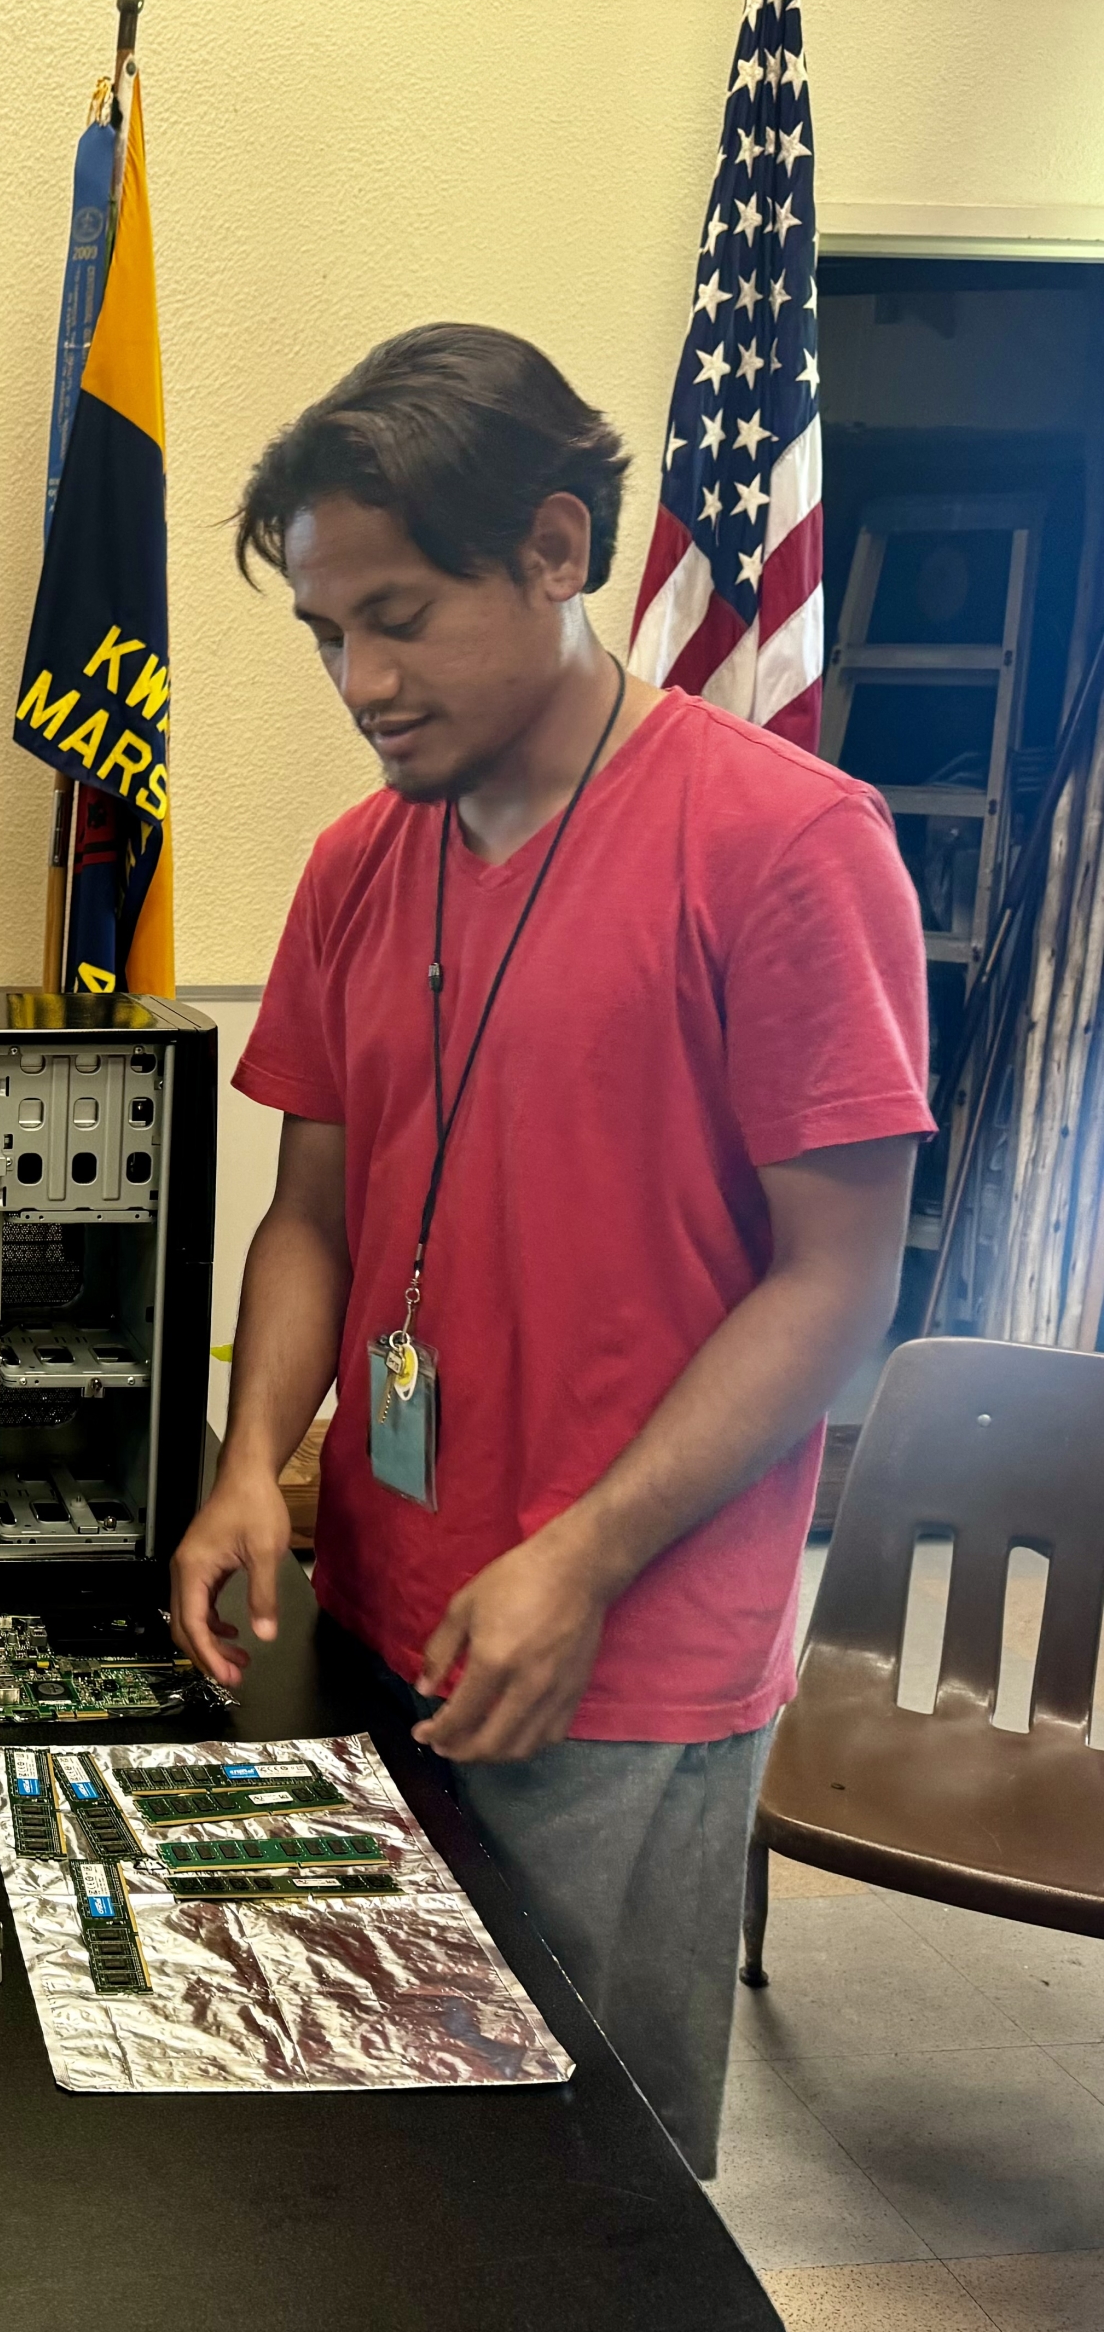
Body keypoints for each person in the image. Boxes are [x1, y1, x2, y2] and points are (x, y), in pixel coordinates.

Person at [168, 323, 932, 2179]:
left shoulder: (786, 847)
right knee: (393, 2156)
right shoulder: (359, 863)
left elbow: (840, 1280)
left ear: (557, 551)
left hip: (625, 1644)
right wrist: (249, 1469)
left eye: (402, 619)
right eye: (327, 634)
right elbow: (312, 1219)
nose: (361, 680)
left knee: (595, 2194)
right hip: (375, 1601)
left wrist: (582, 1557)